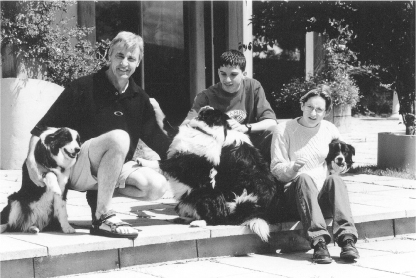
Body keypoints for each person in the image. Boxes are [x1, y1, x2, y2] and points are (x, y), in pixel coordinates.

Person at [26, 31, 171, 239]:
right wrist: (32, 162)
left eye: (131, 58)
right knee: (119, 137)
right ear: (109, 54)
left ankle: (99, 195)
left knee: (156, 187)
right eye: (119, 56)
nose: (124, 63)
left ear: (138, 62)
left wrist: (193, 163)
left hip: (115, 166)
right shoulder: (84, 86)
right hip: (78, 165)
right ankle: (102, 217)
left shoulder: (139, 98)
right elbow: (42, 128)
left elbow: (161, 142)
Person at [270, 85, 360, 264]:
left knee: (335, 180)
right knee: (304, 177)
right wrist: (293, 168)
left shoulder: (330, 129)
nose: (313, 113)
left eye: (319, 109)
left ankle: (347, 240)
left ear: (326, 112)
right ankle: (319, 242)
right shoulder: (283, 129)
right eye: (310, 107)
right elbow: (276, 169)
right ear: (302, 105)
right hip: (295, 197)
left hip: (320, 198)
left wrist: (339, 168)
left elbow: (337, 159)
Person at [183, 50, 277, 163]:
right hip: (221, 149)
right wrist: (202, 117)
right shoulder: (206, 96)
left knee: (275, 132)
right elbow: (185, 126)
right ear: (218, 72)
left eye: (233, 74)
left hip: (250, 146)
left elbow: (271, 122)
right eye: (223, 74)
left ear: (244, 74)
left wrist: (244, 128)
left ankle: (271, 175)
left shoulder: (253, 86)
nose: (227, 80)